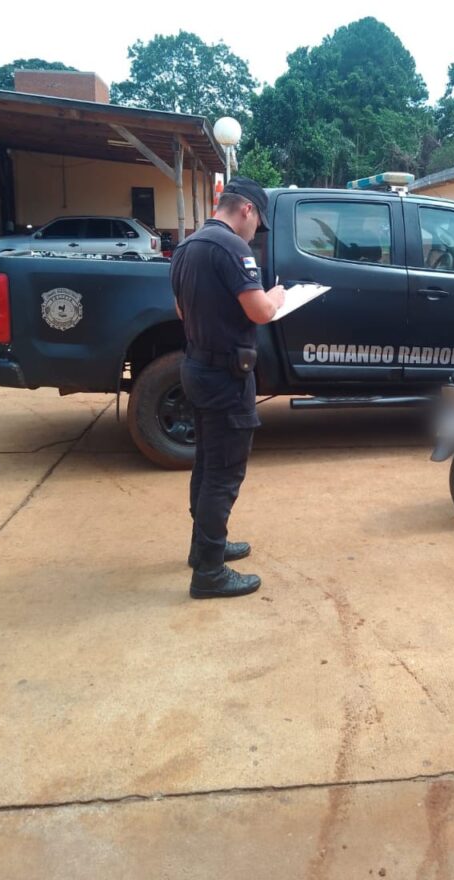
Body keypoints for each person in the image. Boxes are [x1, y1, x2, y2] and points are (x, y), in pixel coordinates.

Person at [170, 177, 285, 599]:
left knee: (206, 464)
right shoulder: (233, 248)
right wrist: (276, 297)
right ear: (247, 210)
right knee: (223, 474)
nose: (256, 234)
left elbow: (179, 308)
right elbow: (259, 311)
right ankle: (210, 574)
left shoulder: (186, 248)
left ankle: (204, 549)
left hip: (197, 367)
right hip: (225, 377)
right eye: (258, 224)